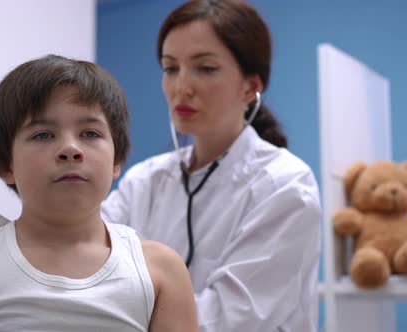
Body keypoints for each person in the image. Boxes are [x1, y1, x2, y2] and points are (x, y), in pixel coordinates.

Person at [0, 55, 198, 332]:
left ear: (116, 161)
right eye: (43, 135)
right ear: (6, 164)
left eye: (90, 133)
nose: (70, 149)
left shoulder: (160, 272)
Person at [101, 1, 322, 331]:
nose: (181, 87)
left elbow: (227, 320)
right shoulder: (144, 181)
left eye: (205, 68)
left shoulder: (285, 186)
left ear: (251, 86)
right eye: (170, 68)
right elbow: (86, 267)